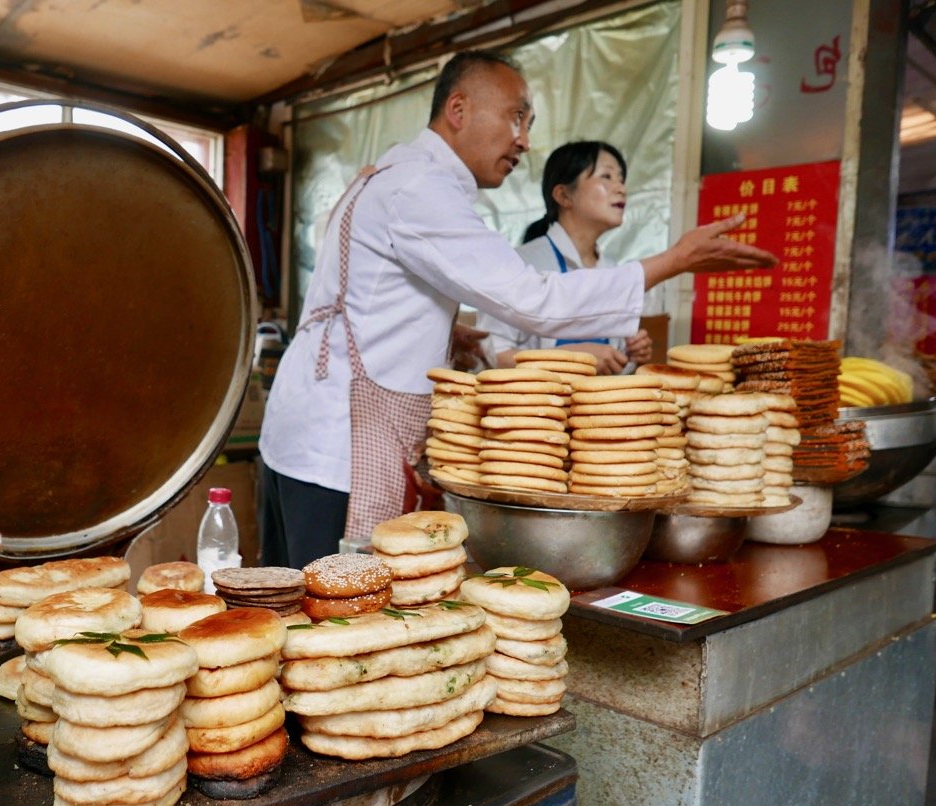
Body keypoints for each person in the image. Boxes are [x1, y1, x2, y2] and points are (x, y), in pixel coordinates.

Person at [258, 50, 776, 570]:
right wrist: (672, 261)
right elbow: (534, 300)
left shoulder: (397, 171)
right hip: (337, 450)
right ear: (458, 110)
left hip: (302, 433)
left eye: (528, 123)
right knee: (333, 620)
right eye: (516, 117)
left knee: (295, 608)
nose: (524, 141)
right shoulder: (420, 188)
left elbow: (362, 293)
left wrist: (445, 328)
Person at [478, 140, 658, 374]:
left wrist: (630, 355)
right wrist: (568, 360)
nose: (621, 188)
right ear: (564, 195)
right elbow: (491, 355)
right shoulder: (521, 264)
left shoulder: (613, 270)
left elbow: (609, 366)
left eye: (621, 178)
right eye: (606, 176)